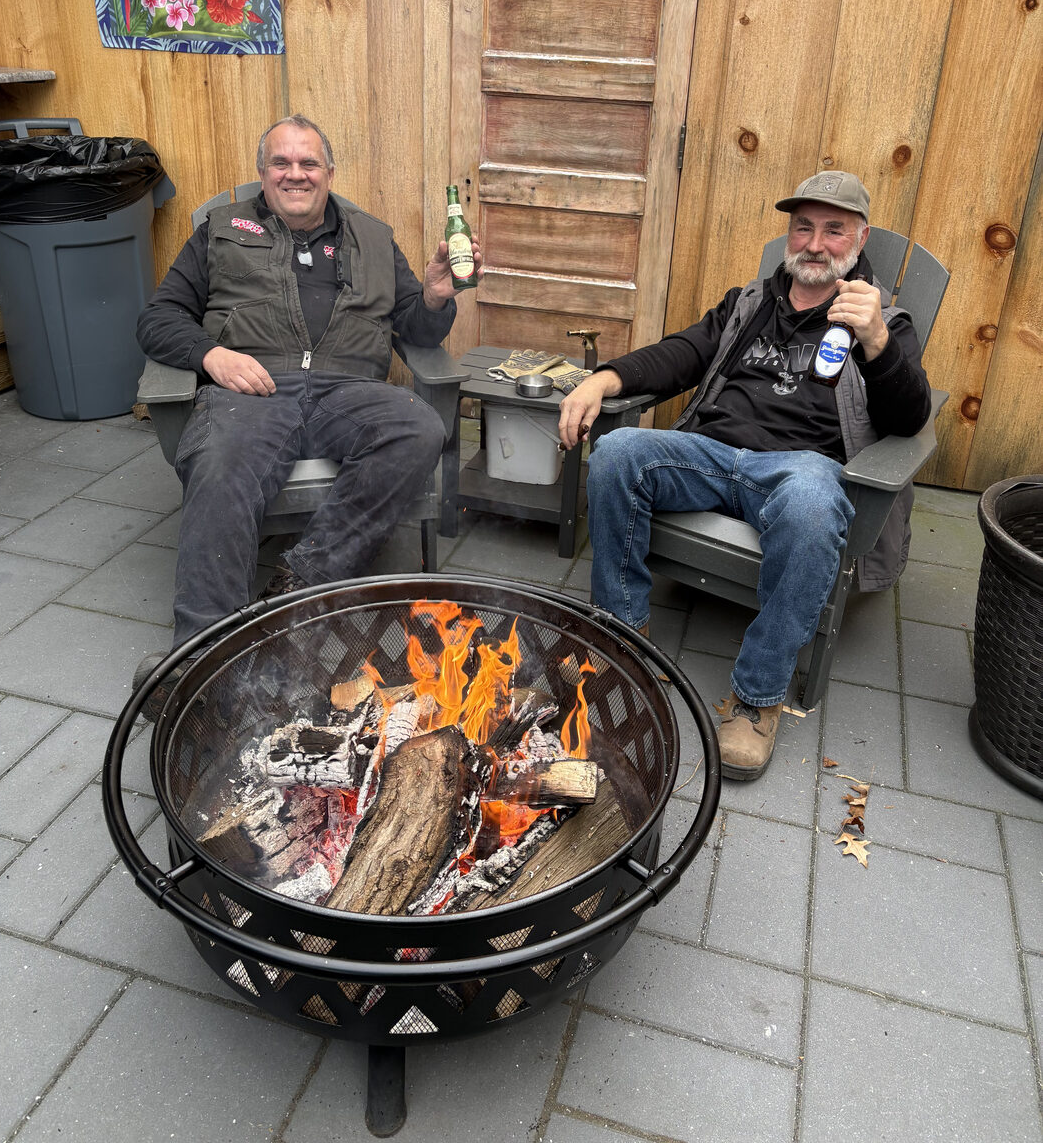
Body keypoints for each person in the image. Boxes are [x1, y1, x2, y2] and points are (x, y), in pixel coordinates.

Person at [558, 170, 931, 781]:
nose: (815, 243)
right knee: (619, 452)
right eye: (803, 227)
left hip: (797, 471)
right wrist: (607, 378)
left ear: (859, 239)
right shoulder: (751, 304)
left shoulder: (885, 321)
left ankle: (757, 701)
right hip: (707, 454)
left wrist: (878, 340)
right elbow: (682, 353)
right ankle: (626, 640)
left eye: (833, 230)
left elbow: (909, 417)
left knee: (815, 503)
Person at [134, 114, 480, 708]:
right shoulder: (221, 229)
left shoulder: (373, 238)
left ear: (329, 173)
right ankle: (199, 659)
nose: (295, 174)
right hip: (255, 388)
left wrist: (434, 298)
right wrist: (210, 354)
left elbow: (416, 329)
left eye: (308, 163)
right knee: (220, 462)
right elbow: (158, 319)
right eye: (281, 163)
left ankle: (300, 587)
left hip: (346, 393)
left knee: (419, 424)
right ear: (262, 174)